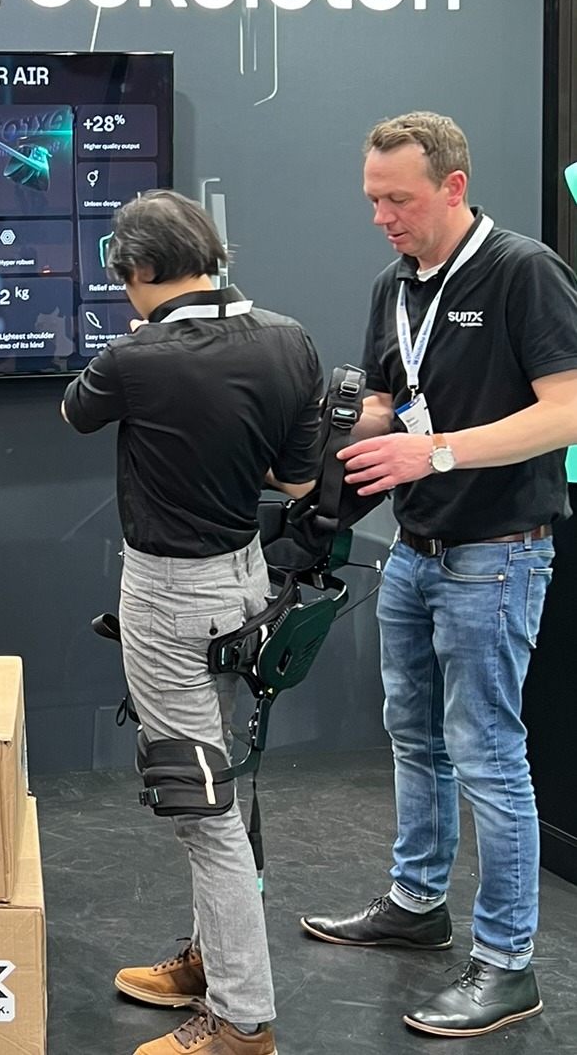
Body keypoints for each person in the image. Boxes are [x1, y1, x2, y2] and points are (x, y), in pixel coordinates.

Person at [300, 111, 577, 1036]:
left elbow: (567, 413)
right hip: (415, 553)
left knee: (489, 757)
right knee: (414, 739)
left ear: (452, 188)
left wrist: (440, 455)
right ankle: (416, 905)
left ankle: (508, 964)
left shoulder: (523, 272)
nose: (382, 216)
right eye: (373, 199)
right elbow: (388, 393)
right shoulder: (394, 282)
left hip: (496, 555)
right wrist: (349, 432)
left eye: (399, 200)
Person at [62, 190, 323, 1055]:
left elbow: (75, 410)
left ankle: (243, 1021)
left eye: (124, 283)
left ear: (137, 271)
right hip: (247, 582)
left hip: (170, 596)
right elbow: (294, 484)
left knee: (199, 808)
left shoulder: (135, 357)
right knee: (224, 788)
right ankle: (212, 961)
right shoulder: (289, 338)